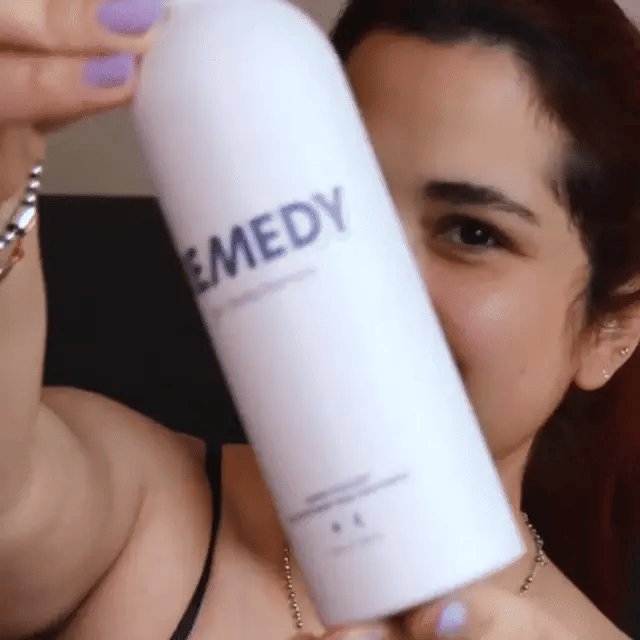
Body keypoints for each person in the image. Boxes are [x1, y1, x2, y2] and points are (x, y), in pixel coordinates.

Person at [0, 0, 639, 638]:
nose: (377, 286)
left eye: (472, 233)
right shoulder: (138, 511)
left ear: (611, 327)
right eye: (338, 201)